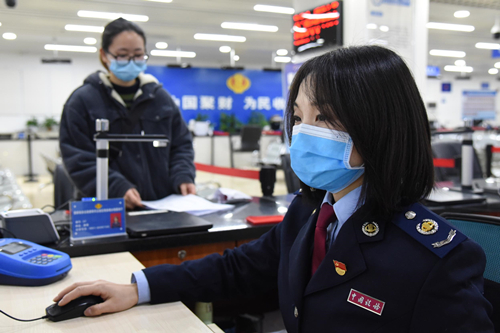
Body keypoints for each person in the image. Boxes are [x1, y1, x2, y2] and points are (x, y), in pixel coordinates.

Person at [54, 46, 494, 332]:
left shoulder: (435, 260)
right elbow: (238, 268)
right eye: (299, 118)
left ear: (380, 127)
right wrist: (140, 285)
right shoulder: (312, 212)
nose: (302, 134)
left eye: (325, 118)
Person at [59, 18, 196, 209]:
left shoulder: (160, 98)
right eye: (122, 56)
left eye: (138, 55)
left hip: (162, 208)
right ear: (104, 55)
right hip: (108, 209)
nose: (131, 62)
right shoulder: (82, 101)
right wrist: (116, 187)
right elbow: (77, 157)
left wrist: (183, 175)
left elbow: (181, 145)